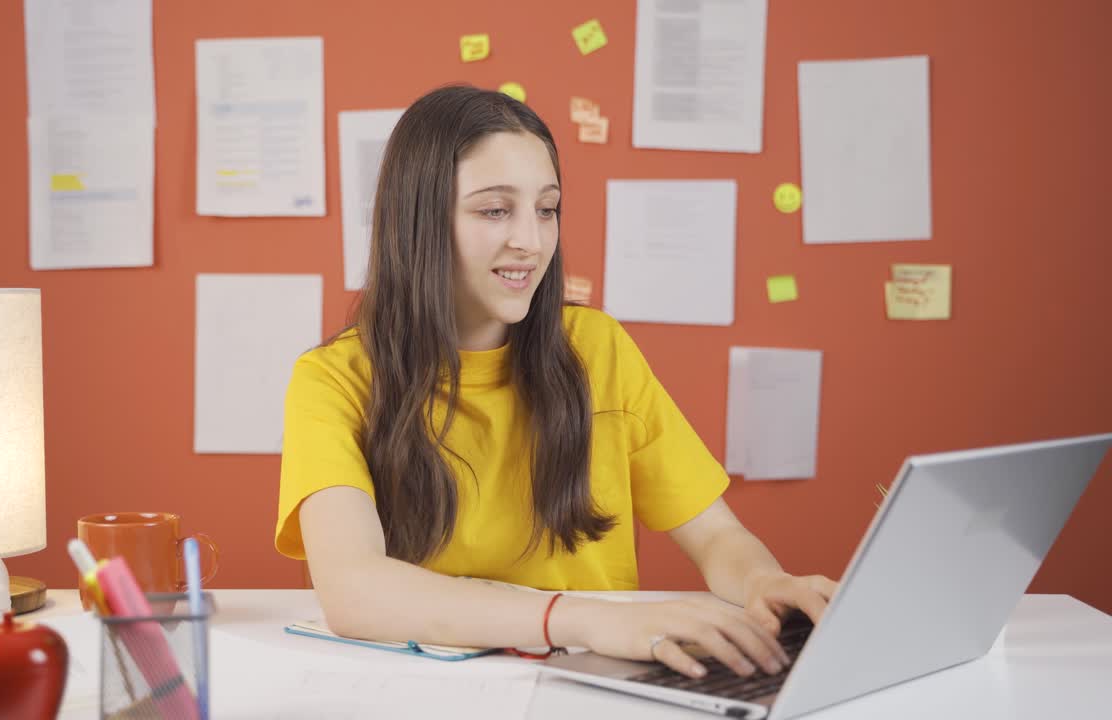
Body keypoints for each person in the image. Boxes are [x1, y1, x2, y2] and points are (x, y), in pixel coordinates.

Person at [276, 85, 837, 680]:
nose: (532, 241)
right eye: (495, 210)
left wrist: (763, 581)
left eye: (546, 209)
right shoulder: (334, 381)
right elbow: (353, 590)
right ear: (417, 219)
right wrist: (584, 619)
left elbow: (718, 535)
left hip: (595, 686)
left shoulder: (598, 350)